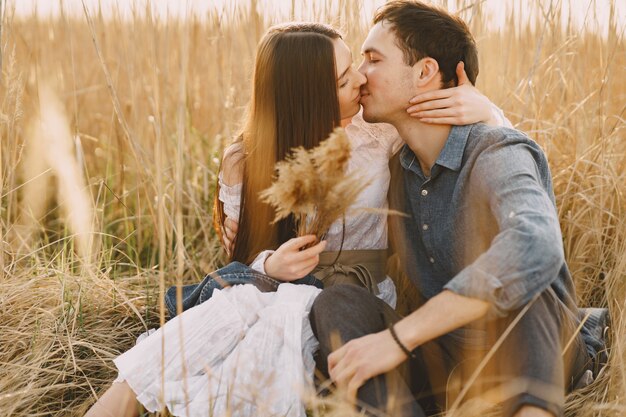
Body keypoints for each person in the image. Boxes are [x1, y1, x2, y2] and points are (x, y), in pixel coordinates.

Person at [84, 22, 504, 417]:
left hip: (354, 298)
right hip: (272, 291)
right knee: (230, 312)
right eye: (343, 80)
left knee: (264, 316)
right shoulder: (245, 159)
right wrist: (270, 264)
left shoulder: (376, 133)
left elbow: (485, 147)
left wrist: (485, 109)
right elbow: (242, 262)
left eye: (354, 66)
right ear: (307, 96)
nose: (360, 78)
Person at [309, 2, 605, 417]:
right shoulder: (395, 164)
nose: (359, 74)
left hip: (531, 352)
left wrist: (401, 337)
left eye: (373, 59)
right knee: (339, 302)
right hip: (448, 360)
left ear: (426, 72)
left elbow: (536, 244)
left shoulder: (496, 151)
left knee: (524, 286)